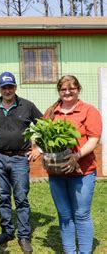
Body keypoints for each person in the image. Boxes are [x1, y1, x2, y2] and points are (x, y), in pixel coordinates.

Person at [0, 72, 42, 253]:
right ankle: (7, 231)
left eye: (10, 87)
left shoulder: (28, 106)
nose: (7, 90)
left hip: (20, 158)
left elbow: (44, 125)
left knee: (21, 197)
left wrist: (37, 148)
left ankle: (24, 236)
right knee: (2, 196)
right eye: (4, 87)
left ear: (15, 87)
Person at [43, 75, 101, 253]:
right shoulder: (51, 112)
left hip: (83, 172)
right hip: (57, 173)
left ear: (78, 89)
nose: (67, 92)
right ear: (59, 91)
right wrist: (39, 149)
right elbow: (41, 137)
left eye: (71, 88)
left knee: (81, 215)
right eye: (63, 89)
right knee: (64, 215)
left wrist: (77, 156)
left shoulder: (88, 111)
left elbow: (94, 139)